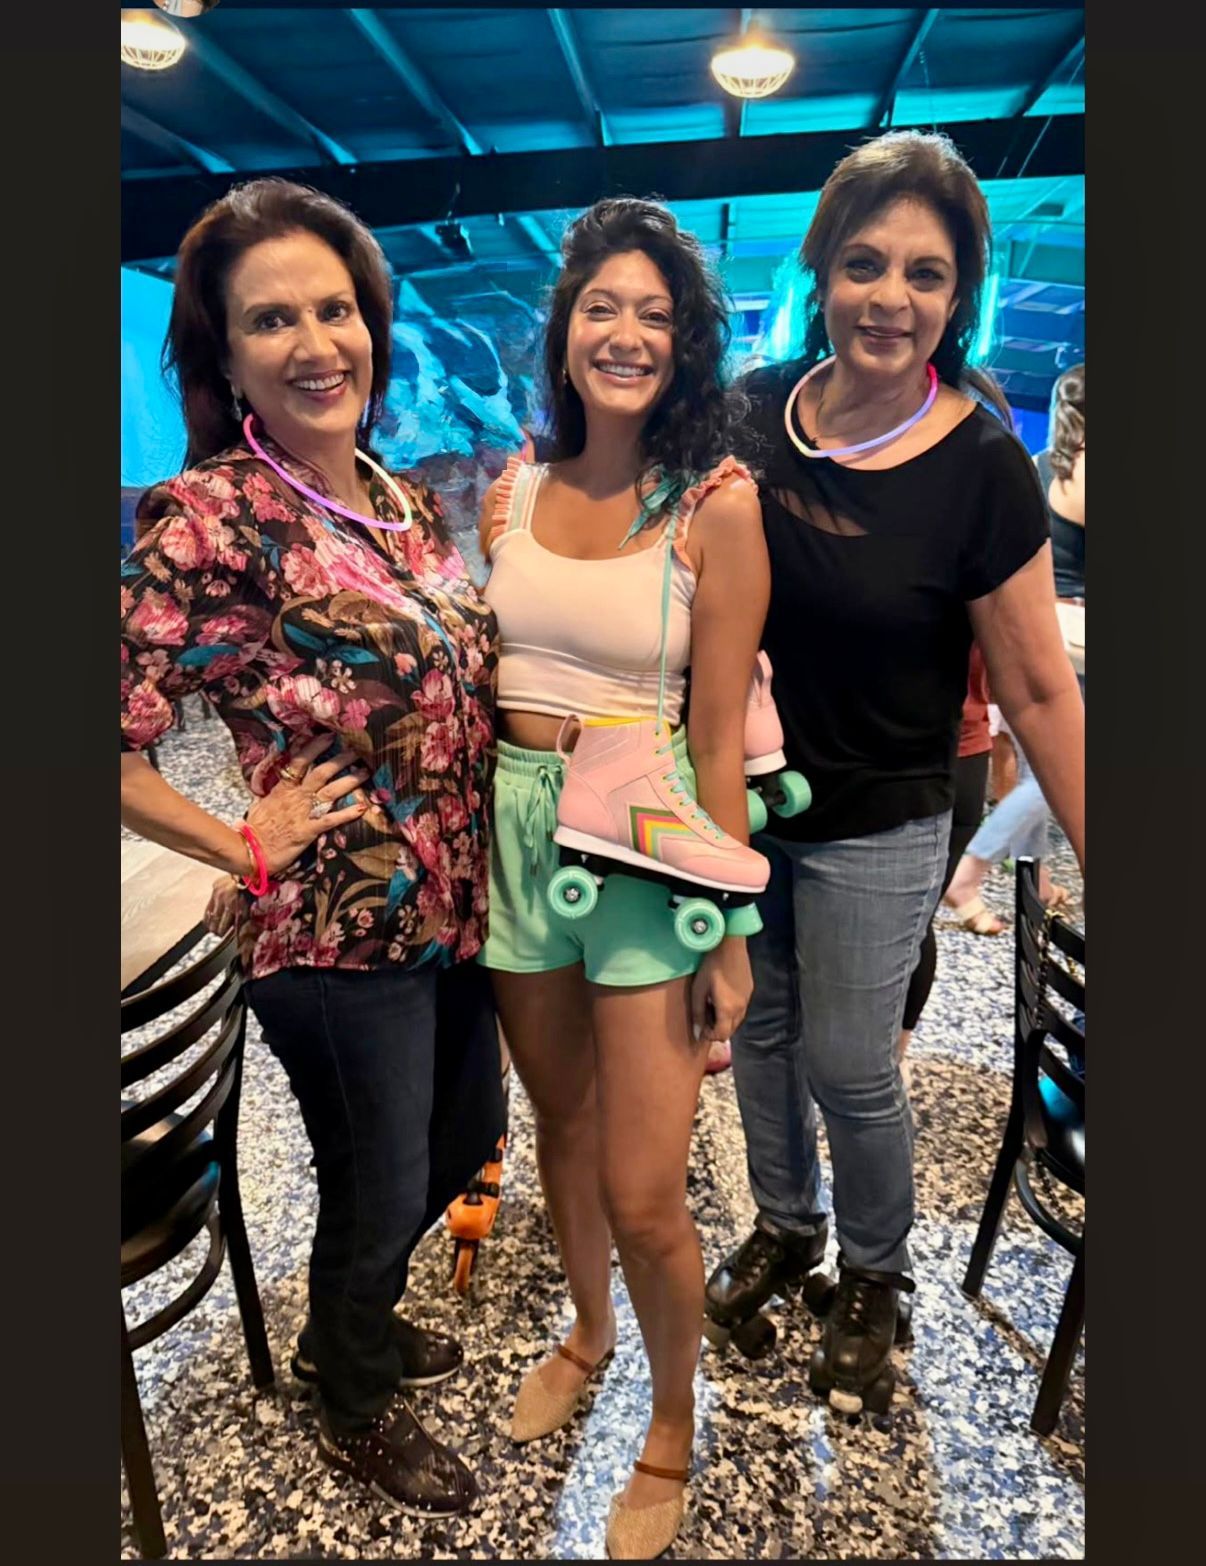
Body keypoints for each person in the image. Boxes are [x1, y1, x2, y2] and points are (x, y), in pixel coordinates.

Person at [120, 178, 501, 1517]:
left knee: (465, 1132)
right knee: (377, 1175)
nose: (314, 342)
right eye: (270, 319)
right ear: (226, 358)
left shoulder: (398, 496)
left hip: (456, 904)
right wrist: (239, 838)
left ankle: (357, 1315)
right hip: (334, 927)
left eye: (334, 310)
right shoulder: (207, 518)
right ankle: (351, 1391)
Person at [710, 130, 1085, 1415]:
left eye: (926, 274)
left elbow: (1038, 686)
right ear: (822, 270)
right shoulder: (751, 415)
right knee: (759, 1032)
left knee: (850, 1062)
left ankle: (876, 1272)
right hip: (742, 806)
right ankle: (787, 1224)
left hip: (883, 819)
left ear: (959, 293)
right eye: (865, 264)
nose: (891, 297)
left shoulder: (981, 463)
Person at [476, 198, 768, 1559]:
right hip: (520, 830)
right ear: (565, 331)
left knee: (648, 1188)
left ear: (687, 342)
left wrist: (730, 935)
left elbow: (717, 735)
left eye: (656, 313)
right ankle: (587, 1333)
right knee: (562, 1124)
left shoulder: (716, 506)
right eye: (603, 306)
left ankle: (670, 1418)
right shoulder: (512, 492)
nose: (627, 333)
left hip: (648, 845)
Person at [943, 363, 1085, 932]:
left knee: (1034, 768)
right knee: (1061, 770)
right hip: (1071, 633)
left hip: (1033, 625)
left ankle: (1035, 880)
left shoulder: (1041, 465)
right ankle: (971, 871)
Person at [896, 644, 993, 1081]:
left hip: (944, 753)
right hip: (960, 752)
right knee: (915, 922)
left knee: (911, 923)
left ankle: (890, 1061)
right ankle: (891, 1061)